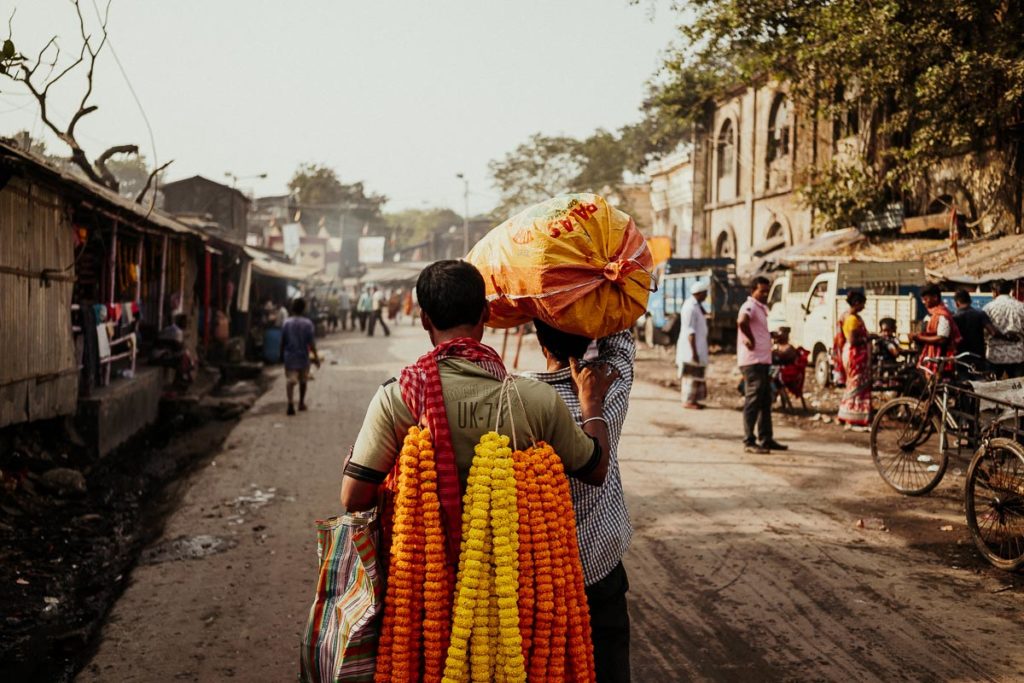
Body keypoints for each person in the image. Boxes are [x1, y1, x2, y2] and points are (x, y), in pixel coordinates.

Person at [340, 261, 615, 585]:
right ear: (485, 313)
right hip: (514, 590)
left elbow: (354, 498)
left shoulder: (397, 397)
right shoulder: (536, 400)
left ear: (424, 318)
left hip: (422, 588)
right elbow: (596, 469)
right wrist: (592, 402)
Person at [527, 320, 634, 683]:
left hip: (539, 578)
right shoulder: (609, 386)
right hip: (598, 569)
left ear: (539, 338)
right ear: (589, 335)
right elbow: (622, 337)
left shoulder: (518, 398)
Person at [737, 276, 787, 454]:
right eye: (762, 291)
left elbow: (756, 329)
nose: (765, 294)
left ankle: (766, 438)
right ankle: (749, 440)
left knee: (765, 400)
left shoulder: (760, 308)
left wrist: (771, 336)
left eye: (767, 291)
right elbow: (742, 321)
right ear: (753, 291)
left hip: (763, 360)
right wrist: (749, 339)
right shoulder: (749, 305)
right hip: (753, 361)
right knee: (753, 400)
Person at [836, 290, 871, 429]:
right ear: (856, 303)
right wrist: (868, 338)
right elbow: (852, 339)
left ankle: (851, 414)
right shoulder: (851, 319)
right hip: (855, 355)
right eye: (862, 304)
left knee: (856, 384)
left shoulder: (850, 316)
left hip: (856, 355)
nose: (864, 307)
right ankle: (852, 415)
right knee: (855, 384)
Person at [280, 297, 320, 416]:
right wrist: (316, 357)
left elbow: (283, 341)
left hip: (290, 357)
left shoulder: (286, 323)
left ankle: (290, 403)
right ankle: (301, 403)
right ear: (303, 309)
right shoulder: (307, 323)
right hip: (303, 356)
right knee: (303, 381)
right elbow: (311, 343)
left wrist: (280, 355)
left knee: (290, 381)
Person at [911, 283, 961, 376]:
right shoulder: (930, 316)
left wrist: (919, 338)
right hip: (930, 358)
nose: (924, 302)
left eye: (926, 299)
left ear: (935, 297)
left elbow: (942, 339)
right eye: (923, 299)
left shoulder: (942, 316)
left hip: (940, 361)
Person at [953, 288, 1006, 372]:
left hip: (961, 357)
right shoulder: (980, 314)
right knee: (981, 381)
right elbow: (993, 332)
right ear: (970, 301)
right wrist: (1008, 337)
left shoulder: (954, 318)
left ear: (956, 303)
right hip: (978, 356)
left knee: (963, 383)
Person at [676, 281, 709, 409]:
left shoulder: (696, 306)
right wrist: (694, 352)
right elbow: (690, 331)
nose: (706, 296)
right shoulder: (690, 307)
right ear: (699, 293)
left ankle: (694, 399)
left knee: (696, 374)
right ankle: (688, 400)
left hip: (698, 345)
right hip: (691, 347)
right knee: (690, 374)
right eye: (705, 293)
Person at [983, 280, 1024, 378]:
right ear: (1010, 290)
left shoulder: (988, 308)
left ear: (995, 291)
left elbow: (985, 332)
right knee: (1017, 388)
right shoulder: (1021, 306)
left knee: (993, 388)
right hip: (1016, 355)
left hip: (995, 356)